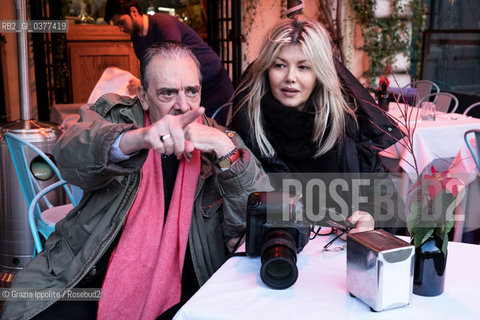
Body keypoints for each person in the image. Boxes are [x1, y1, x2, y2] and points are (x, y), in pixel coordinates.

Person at [2, 42, 271, 320]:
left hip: (188, 287)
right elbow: (70, 155)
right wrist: (136, 139)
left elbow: (262, 221)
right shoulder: (115, 115)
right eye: (168, 93)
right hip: (89, 277)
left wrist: (225, 152)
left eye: (191, 91)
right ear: (143, 96)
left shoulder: (220, 140)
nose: (183, 105)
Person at [229, 17, 405, 236]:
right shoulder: (247, 128)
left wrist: (371, 216)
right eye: (280, 65)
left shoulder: (347, 125)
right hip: (273, 254)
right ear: (266, 70)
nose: (290, 77)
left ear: (319, 74)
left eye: (303, 67)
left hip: (338, 258)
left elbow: (387, 200)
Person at [104, 0, 234, 126]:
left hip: (213, 82)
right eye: (117, 25)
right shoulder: (137, 39)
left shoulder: (163, 24)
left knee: (217, 127)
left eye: (121, 22)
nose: (120, 29)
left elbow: (174, 64)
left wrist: (146, 85)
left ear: (134, 12)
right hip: (183, 89)